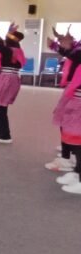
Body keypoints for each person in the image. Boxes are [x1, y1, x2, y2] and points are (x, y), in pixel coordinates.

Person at [47, 29, 81, 193]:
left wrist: (57, 44)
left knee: (77, 135)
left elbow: (74, 55)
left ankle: (76, 172)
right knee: (70, 131)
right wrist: (60, 41)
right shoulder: (77, 48)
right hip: (75, 94)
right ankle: (75, 172)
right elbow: (74, 53)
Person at [0, 23, 25, 144]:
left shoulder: (8, 50)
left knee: (1, 107)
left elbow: (0, 45)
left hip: (7, 78)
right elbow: (2, 45)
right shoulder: (18, 51)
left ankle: (5, 135)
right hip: (12, 78)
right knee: (1, 105)